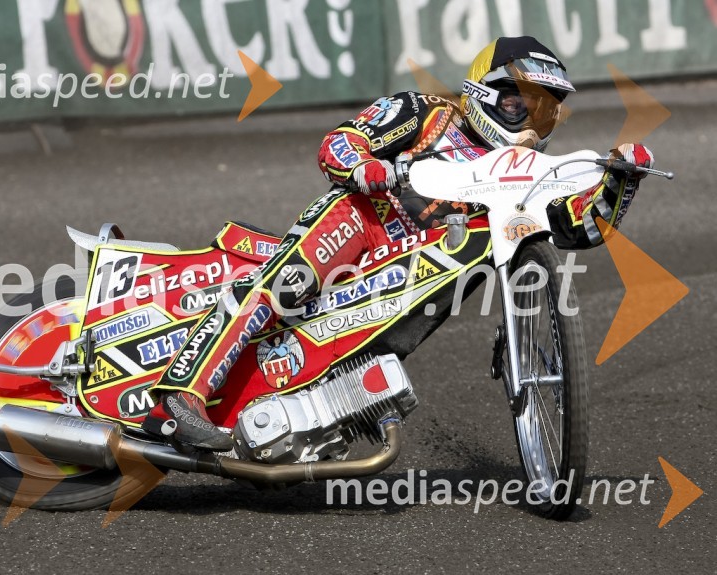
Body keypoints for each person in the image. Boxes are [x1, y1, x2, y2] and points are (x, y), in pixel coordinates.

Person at [142, 36, 654, 450]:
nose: (530, 122)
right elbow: (338, 143)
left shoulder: (527, 172)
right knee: (287, 283)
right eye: (519, 104)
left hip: (412, 275)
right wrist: (370, 168)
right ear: (483, 91)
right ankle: (179, 396)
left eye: (544, 112)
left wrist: (620, 181)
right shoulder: (425, 111)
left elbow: (578, 228)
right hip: (363, 223)